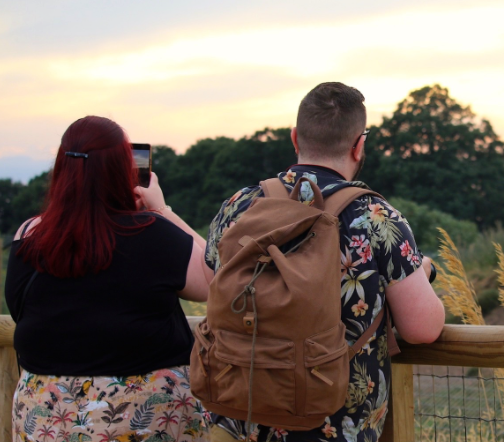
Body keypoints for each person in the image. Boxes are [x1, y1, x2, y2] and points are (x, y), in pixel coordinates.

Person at [204, 82, 446, 442]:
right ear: (359, 145)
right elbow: (422, 329)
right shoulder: (377, 218)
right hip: (335, 426)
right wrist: (421, 273)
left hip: (244, 417)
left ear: (295, 138)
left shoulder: (239, 205)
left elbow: (215, 287)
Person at [4, 116, 213, 442]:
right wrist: (162, 211)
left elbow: (20, 308)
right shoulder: (156, 235)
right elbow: (217, 280)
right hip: (147, 417)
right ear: (121, 172)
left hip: (46, 420)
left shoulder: (30, 235)